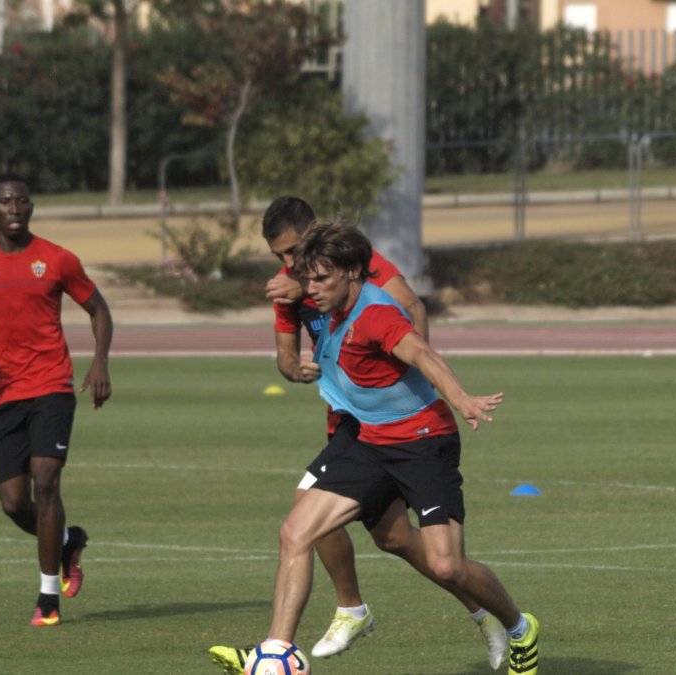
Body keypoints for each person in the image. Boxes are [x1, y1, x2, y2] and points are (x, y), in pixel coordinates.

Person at [208, 198, 508, 673]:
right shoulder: (299, 288)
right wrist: (296, 368)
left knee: (420, 550)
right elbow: (286, 357)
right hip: (357, 426)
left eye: (294, 253)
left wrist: (423, 388)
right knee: (360, 533)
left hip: (408, 428)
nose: (287, 266)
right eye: (279, 258)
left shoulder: (361, 280)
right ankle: (303, 638)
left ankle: (478, 612)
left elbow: (412, 320)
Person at [0, 172, 113, 627]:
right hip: (3, 394)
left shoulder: (56, 259)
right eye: (5, 202)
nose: (14, 208)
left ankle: (47, 599)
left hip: (52, 386)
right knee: (14, 503)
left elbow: (98, 309)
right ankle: (67, 544)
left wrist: (99, 362)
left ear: (31, 206)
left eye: (21, 201)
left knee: (47, 479)